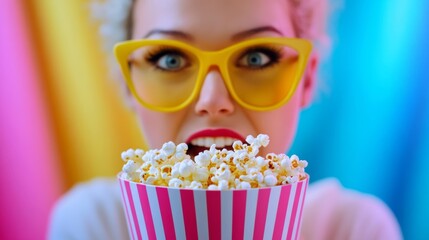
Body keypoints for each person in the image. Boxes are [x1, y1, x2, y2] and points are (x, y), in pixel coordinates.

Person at [49, 0, 402, 239]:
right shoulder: (93, 224)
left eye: (255, 58)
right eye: (170, 59)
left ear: (305, 79)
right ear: (129, 83)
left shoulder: (352, 229)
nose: (213, 101)